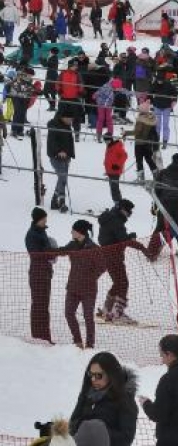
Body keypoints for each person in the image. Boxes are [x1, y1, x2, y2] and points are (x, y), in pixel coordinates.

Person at [69, 352, 138, 446]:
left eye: (98, 375)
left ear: (111, 375)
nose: (93, 379)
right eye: (91, 374)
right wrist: (80, 428)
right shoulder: (87, 394)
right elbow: (74, 421)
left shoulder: (124, 399)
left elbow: (126, 438)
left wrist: (98, 433)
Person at [97, 199, 144, 324]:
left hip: (108, 255)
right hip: (114, 256)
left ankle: (106, 310)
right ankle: (118, 313)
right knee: (123, 282)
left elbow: (115, 238)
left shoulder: (110, 218)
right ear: (122, 209)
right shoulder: (116, 221)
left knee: (118, 282)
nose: (130, 214)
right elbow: (124, 240)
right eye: (129, 211)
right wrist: (133, 239)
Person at [60, 220, 101, 348]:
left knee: (88, 317)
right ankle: (77, 340)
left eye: (73, 230)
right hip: (73, 287)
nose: (71, 232)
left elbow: (102, 266)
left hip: (88, 289)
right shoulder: (72, 245)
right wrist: (44, 250)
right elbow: (60, 251)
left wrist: (91, 277)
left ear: (80, 232)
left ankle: (90, 344)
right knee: (68, 313)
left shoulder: (93, 248)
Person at [26, 207, 56, 343]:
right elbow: (37, 254)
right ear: (37, 220)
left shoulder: (41, 232)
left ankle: (45, 336)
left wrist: (51, 250)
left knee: (44, 305)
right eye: (43, 219)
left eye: (46, 219)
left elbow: (46, 250)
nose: (45, 221)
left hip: (45, 273)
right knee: (38, 305)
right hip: (37, 274)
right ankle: (38, 336)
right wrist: (50, 252)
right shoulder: (32, 235)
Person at [46, 107, 75, 213]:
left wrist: (70, 153)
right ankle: (61, 201)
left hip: (66, 157)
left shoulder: (67, 125)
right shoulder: (54, 125)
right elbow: (52, 141)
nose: (71, 120)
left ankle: (55, 201)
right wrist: (59, 151)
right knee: (62, 177)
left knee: (63, 178)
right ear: (63, 117)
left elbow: (69, 141)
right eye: (69, 118)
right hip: (56, 156)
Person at [102, 133, 128, 204]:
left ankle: (118, 203)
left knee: (114, 189)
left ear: (111, 139)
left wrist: (118, 165)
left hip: (115, 171)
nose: (106, 142)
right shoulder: (109, 146)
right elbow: (109, 158)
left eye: (107, 140)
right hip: (110, 171)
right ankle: (119, 203)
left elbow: (124, 155)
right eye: (105, 141)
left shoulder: (116, 146)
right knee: (114, 188)